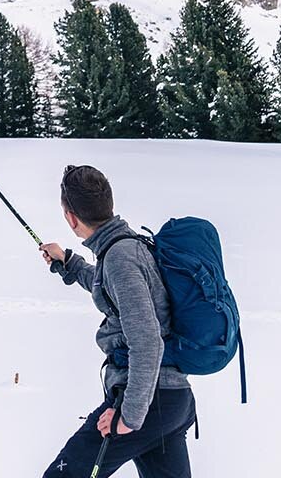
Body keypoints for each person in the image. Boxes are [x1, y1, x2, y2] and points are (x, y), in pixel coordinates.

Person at [39, 164, 196, 477]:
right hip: (169, 400)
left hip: (148, 401)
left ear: (70, 217)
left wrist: (129, 416)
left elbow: (147, 340)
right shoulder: (126, 248)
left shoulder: (120, 258)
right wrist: (69, 263)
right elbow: (110, 289)